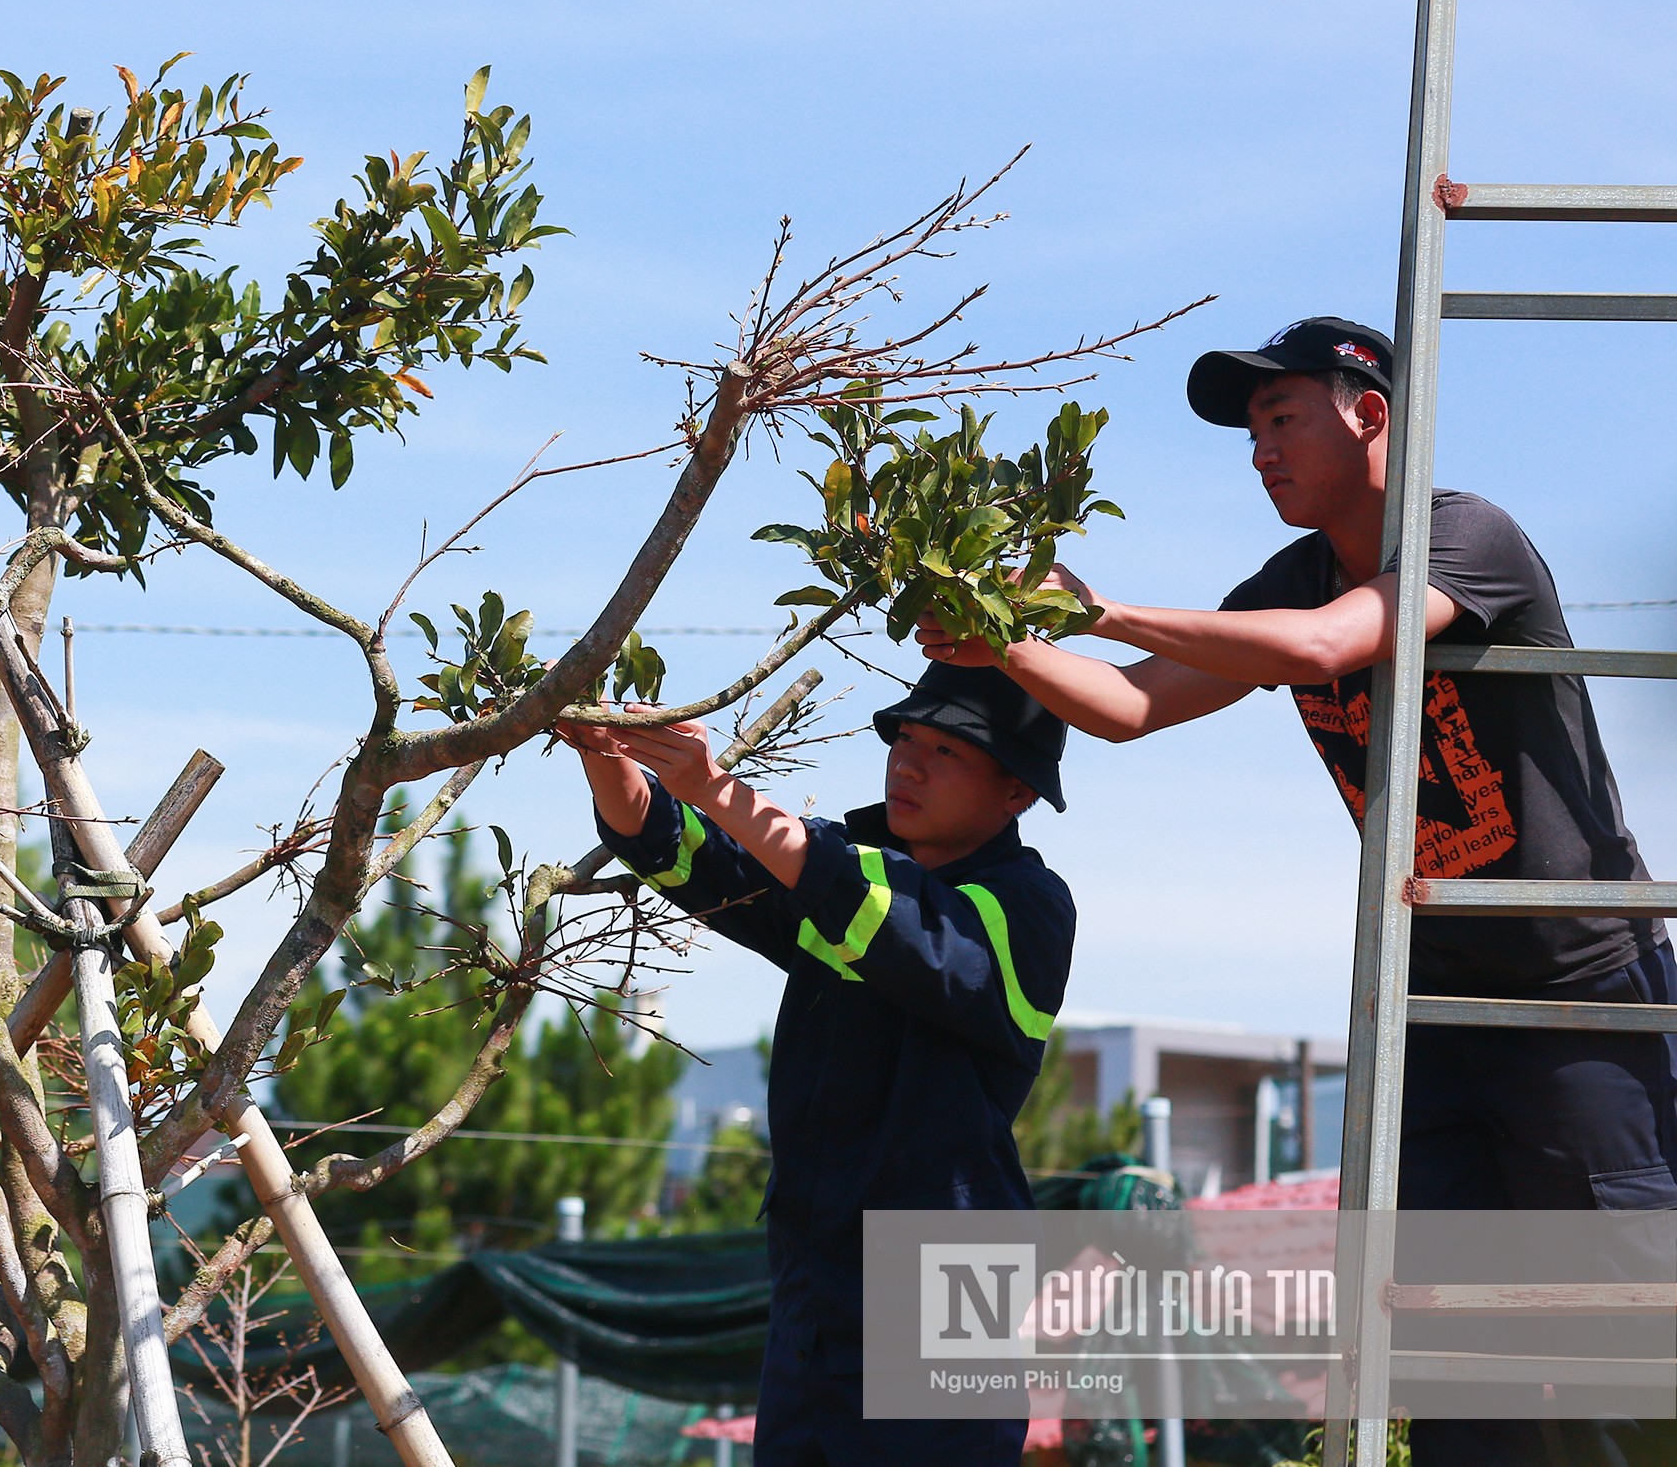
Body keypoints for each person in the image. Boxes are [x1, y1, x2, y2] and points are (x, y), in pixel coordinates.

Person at [920, 316, 1676, 1467]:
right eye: (1250, 430)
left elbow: (1328, 646)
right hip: (1432, 1012)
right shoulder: (1287, 578)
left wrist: (1101, 607)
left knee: (1625, 1352)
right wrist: (1005, 634)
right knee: (1459, 1367)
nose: (1258, 450)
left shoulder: (1464, 534)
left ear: (1368, 412)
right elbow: (1128, 704)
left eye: (1279, 419)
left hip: (1575, 1006)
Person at [560, 662, 1074, 1466]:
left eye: (946, 751)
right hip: (818, 1279)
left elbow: (889, 918)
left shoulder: (1026, 906)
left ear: (1018, 792)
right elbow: (689, 852)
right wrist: (604, 748)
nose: (907, 762)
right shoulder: (840, 874)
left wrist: (716, 784)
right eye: (905, 736)